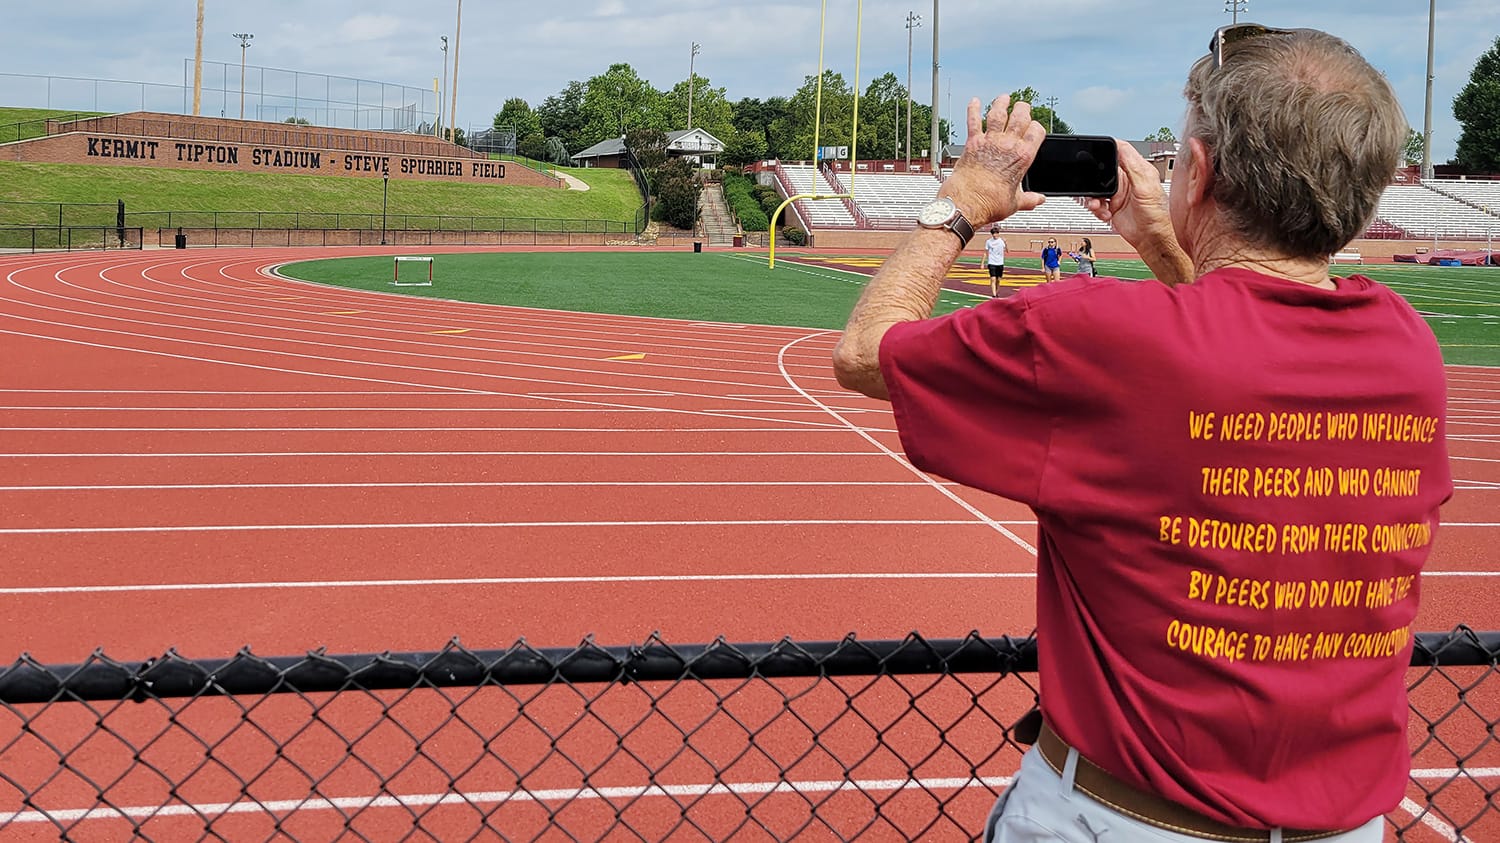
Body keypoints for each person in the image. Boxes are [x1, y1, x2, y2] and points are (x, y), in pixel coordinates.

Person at [833, 24, 1450, 843]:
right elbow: (1247, 343)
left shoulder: (1101, 336)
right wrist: (1164, 241)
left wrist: (959, 206)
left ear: (1202, 172)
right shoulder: (1407, 348)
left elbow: (866, 353)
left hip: (1120, 818)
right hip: (1344, 828)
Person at [984, 225, 1008, 297]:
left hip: (1000, 263)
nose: (994, 235)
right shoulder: (988, 241)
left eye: (996, 233)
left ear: (998, 233)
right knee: (993, 279)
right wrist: (982, 263)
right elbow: (986, 252)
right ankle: (994, 295)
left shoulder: (1001, 241)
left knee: (998, 280)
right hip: (992, 262)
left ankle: (996, 292)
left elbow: (1007, 251)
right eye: (993, 234)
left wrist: (1006, 243)